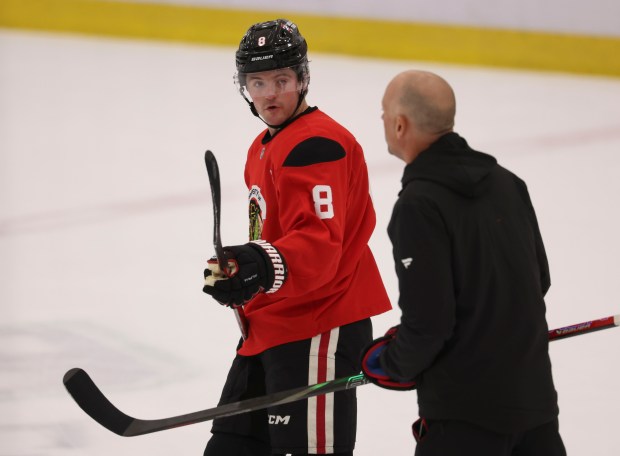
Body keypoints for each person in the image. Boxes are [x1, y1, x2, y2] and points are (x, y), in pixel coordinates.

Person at [202, 19, 392, 456]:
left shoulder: (317, 144)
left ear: (303, 78)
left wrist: (260, 264)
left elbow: (318, 245)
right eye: (258, 81)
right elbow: (274, 236)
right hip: (273, 326)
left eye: (282, 80)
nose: (270, 93)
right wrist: (242, 271)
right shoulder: (265, 145)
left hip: (320, 324)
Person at [361, 70, 566, 455]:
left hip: (465, 422)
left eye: (385, 113)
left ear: (400, 125)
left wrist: (393, 362)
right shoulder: (508, 183)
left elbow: (429, 326)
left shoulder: (418, 206)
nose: (384, 121)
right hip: (536, 412)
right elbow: (537, 281)